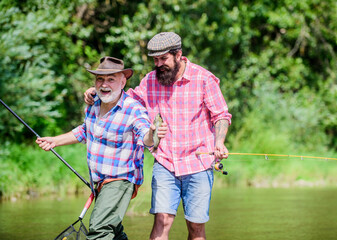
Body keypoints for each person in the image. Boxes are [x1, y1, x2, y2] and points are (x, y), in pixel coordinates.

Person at [84, 32, 232, 240]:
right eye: (155, 59)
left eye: (164, 59)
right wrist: (100, 90)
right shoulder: (150, 80)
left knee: (196, 228)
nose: (159, 64)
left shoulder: (204, 79)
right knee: (162, 221)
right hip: (165, 163)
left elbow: (221, 115)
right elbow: (126, 100)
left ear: (178, 54)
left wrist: (219, 142)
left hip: (198, 164)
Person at [37, 56, 166, 240]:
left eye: (111, 79)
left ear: (123, 82)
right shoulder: (94, 104)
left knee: (99, 230)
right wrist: (55, 141)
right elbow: (84, 131)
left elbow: (145, 138)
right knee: (114, 232)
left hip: (121, 179)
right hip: (99, 182)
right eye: (100, 79)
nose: (104, 84)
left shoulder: (133, 109)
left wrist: (152, 134)